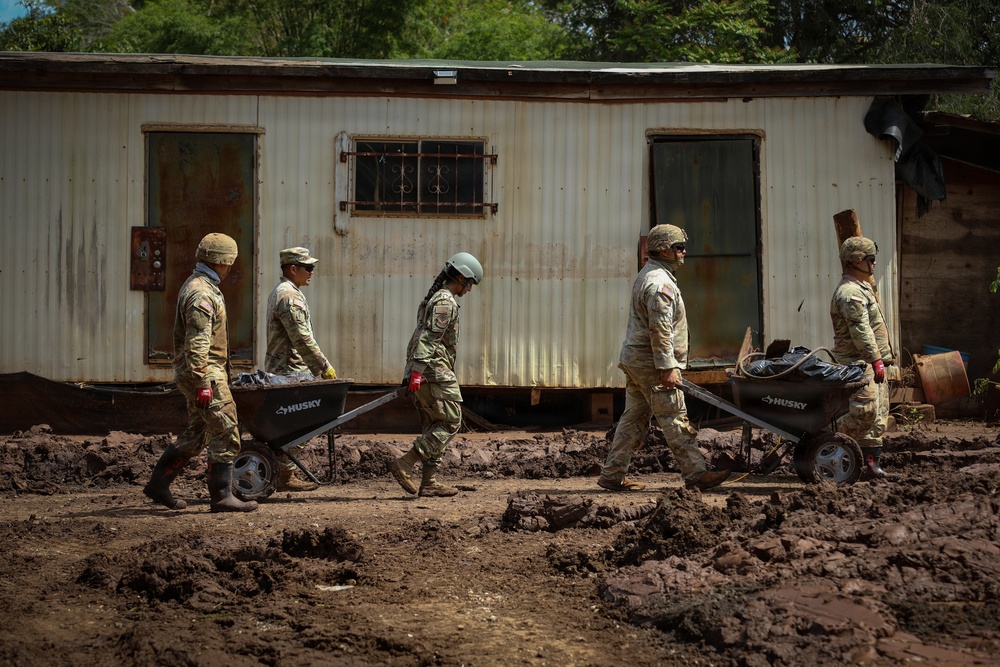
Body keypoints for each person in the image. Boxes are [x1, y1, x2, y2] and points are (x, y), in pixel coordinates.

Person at [598, 224, 731, 492]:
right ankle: (696, 473)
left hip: (637, 360)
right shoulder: (660, 284)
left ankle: (612, 474)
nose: (684, 253)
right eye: (678, 248)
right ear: (662, 250)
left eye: (683, 247)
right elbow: (660, 331)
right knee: (674, 415)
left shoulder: (651, 275)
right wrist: (667, 367)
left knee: (633, 418)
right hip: (651, 362)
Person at [143, 233, 258, 512]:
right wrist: (203, 383)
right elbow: (197, 344)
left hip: (201, 372)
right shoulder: (202, 293)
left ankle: (158, 486)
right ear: (224, 261)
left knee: (197, 434)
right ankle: (221, 496)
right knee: (228, 430)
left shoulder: (201, 285)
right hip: (205, 373)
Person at [388, 252, 483, 498]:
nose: (469, 290)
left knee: (434, 424)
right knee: (451, 421)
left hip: (426, 369)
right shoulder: (445, 301)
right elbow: (429, 338)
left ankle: (429, 481)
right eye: (469, 283)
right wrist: (418, 372)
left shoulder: (436, 298)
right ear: (461, 277)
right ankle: (406, 462)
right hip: (434, 371)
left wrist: (413, 371)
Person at [264, 246, 338, 492]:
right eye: (308, 268)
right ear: (293, 269)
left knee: (293, 426)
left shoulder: (285, 292)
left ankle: (283, 473)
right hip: (291, 372)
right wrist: (324, 367)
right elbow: (302, 338)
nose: (312, 272)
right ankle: (282, 473)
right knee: (307, 422)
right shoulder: (289, 297)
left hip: (287, 369)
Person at [831, 236, 895, 479]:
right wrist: (875, 359)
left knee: (878, 417)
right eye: (870, 259)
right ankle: (824, 438)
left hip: (870, 363)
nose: (875, 264)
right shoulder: (850, 293)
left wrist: (880, 359)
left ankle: (870, 466)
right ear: (855, 261)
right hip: (857, 364)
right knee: (864, 412)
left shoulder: (862, 287)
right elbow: (860, 329)